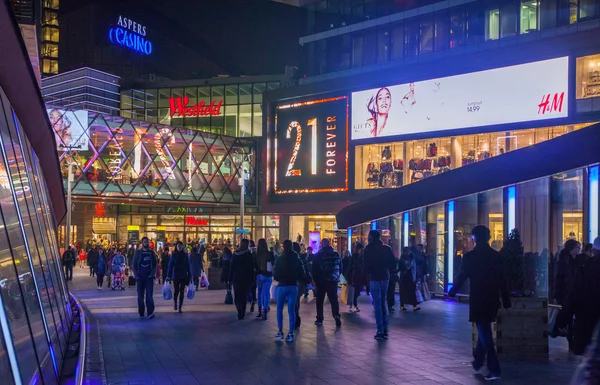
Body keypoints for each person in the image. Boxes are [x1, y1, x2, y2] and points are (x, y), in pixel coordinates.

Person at [449, 225, 511, 382]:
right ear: (488, 237)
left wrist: (452, 291)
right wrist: (506, 300)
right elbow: (503, 280)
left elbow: (462, 275)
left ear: (474, 238)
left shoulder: (470, 257)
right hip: (492, 298)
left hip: (478, 298)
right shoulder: (496, 256)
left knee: (485, 333)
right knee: (484, 329)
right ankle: (477, 361)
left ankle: (494, 368)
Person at [563, 237, 600, 356]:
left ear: (593, 250)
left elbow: (575, 293)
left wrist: (565, 315)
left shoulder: (586, 267)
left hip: (589, 316)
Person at [363, 230, 397, 340]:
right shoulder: (386, 248)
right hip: (385, 277)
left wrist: (368, 273)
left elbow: (365, 265)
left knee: (377, 303)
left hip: (375, 278)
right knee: (383, 301)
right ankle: (385, 328)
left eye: (369, 236)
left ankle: (380, 329)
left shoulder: (368, 249)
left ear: (372, 237)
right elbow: (393, 264)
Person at [273, 240, 305, 342]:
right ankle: (290, 333)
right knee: (292, 310)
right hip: (293, 285)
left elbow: (276, 273)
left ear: (283, 247)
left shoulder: (280, 258)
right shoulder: (297, 259)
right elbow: (302, 273)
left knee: (279, 309)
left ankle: (280, 331)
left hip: (282, 285)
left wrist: (279, 278)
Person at [554, 239, 582, 348]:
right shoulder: (564, 262)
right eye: (577, 248)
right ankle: (571, 340)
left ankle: (573, 339)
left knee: (574, 318)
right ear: (571, 249)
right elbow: (559, 279)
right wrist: (557, 295)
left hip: (575, 293)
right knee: (569, 318)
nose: (578, 250)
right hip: (567, 294)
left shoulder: (578, 260)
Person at [311, 238, 342, 328]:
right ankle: (336, 315)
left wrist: (315, 280)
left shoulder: (319, 255)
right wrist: (336, 277)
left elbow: (314, 269)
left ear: (322, 244)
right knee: (333, 300)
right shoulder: (336, 254)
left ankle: (320, 318)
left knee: (320, 301)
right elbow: (340, 267)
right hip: (333, 281)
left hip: (321, 281)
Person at [132, 237, 158, 319]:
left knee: (149, 295)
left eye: (147, 242)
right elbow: (134, 264)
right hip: (140, 277)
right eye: (145, 242)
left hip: (149, 277)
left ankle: (150, 312)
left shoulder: (152, 253)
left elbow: (155, 264)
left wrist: (152, 274)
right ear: (142, 243)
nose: (146, 243)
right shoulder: (138, 253)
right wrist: (136, 275)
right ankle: (141, 313)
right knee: (140, 296)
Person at [229, 239, 255, 320]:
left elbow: (232, 266)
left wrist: (230, 277)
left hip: (236, 277)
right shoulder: (249, 255)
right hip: (246, 277)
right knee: (243, 295)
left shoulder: (236, 254)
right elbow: (252, 267)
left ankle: (239, 310)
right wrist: (252, 278)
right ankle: (242, 311)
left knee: (237, 294)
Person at [167, 241, 192, 313]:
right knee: (176, 290)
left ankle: (180, 306)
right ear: (176, 247)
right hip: (176, 275)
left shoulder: (185, 255)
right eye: (178, 246)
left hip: (183, 275)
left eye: (181, 246)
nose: (179, 247)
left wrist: (190, 275)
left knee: (182, 291)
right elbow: (170, 265)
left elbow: (188, 265)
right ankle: (175, 303)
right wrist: (168, 275)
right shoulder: (173, 255)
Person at [254, 238, 275, 320]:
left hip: (260, 275)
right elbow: (273, 263)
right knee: (266, 293)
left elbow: (255, 265)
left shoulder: (256, 254)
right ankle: (265, 310)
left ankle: (259, 310)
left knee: (259, 292)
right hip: (268, 275)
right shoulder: (270, 254)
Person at [295, 243, 312, 327]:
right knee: (296, 300)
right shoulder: (303, 258)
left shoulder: (292, 258)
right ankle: (296, 316)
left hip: (293, 282)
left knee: (294, 301)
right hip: (300, 283)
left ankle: (295, 318)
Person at [399, 247, 420, 311]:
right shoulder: (404, 258)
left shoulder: (411, 258)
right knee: (404, 291)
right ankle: (403, 305)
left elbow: (411, 267)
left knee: (412, 291)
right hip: (404, 277)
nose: (407, 253)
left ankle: (414, 305)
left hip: (410, 276)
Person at [349, 243, 365, 313]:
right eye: (361, 249)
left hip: (360, 276)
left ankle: (353, 304)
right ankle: (355, 305)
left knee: (357, 291)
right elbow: (350, 267)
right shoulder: (354, 256)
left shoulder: (362, 257)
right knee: (355, 291)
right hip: (355, 276)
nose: (361, 251)